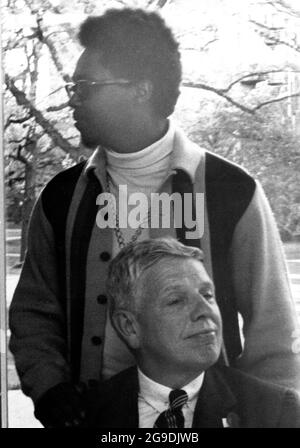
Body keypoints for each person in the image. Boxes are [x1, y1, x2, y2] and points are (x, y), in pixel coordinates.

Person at [9, 8, 300, 428]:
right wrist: (51, 391)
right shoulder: (61, 197)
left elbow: (273, 330)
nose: (71, 98)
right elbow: (35, 314)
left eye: (86, 86)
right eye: (73, 86)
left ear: (141, 89)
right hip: (93, 420)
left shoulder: (231, 190)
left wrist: (265, 416)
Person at [85, 238, 300, 428]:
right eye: (176, 301)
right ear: (129, 327)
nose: (205, 311)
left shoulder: (277, 411)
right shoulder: (87, 414)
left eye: (207, 295)